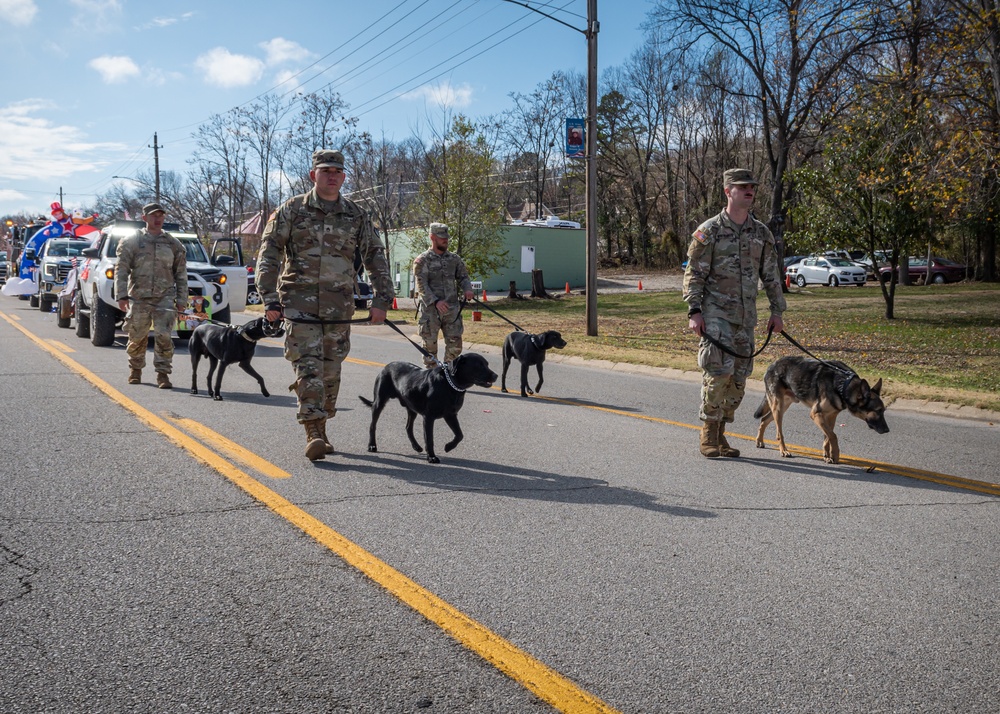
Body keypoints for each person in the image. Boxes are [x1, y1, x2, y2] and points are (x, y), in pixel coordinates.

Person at [256, 149, 394, 461]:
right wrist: (270, 299)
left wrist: (381, 299)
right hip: (298, 303)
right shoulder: (292, 210)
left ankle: (323, 421)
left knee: (331, 371)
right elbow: (269, 253)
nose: (332, 175)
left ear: (344, 177)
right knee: (309, 368)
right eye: (325, 170)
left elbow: (374, 255)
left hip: (339, 307)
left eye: (337, 171)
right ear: (312, 175)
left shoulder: (356, 215)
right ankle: (313, 431)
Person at [683, 168, 786, 458]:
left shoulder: (761, 233)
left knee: (738, 379)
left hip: (746, 319)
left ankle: (721, 434)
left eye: (752, 186)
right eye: (743, 187)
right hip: (716, 315)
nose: (750, 191)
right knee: (718, 373)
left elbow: (771, 276)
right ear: (728, 192)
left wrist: (777, 311)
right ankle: (708, 434)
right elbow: (694, 274)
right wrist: (694, 310)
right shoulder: (710, 231)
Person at [115, 202, 188, 389]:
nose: (158, 219)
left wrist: (181, 300)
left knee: (164, 336)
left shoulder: (173, 244)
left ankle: (163, 375)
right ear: (144, 218)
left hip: (164, 297)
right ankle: (135, 370)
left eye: (161, 215)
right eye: (154, 215)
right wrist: (121, 295)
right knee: (137, 336)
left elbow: (181, 274)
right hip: (139, 297)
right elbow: (121, 269)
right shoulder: (132, 241)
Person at [413, 222, 474, 368]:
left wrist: (468, 289)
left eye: (446, 237)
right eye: (441, 237)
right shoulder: (422, 260)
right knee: (429, 348)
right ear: (432, 237)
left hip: (451, 310)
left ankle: (447, 374)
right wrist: (435, 301)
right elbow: (421, 285)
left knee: (455, 347)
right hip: (431, 311)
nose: (445, 240)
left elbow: (463, 277)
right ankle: (432, 378)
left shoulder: (454, 259)